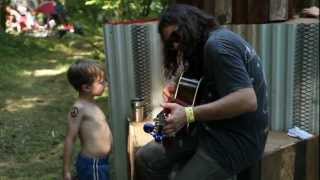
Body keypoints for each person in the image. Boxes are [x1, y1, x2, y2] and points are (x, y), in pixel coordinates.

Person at [135, 4, 269, 180]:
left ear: (190, 24)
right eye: (170, 43)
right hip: (209, 129)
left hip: (235, 140)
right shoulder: (204, 44)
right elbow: (208, 86)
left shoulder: (218, 45)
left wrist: (188, 114)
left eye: (176, 36)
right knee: (145, 158)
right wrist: (180, 94)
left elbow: (247, 100)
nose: (175, 45)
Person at [63, 59, 112, 180]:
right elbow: (70, 139)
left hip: (101, 163)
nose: (105, 84)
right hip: (92, 164)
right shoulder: (78, 108)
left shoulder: (91, 103)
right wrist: (66, 171)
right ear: (86, 87)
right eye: (101, 82)